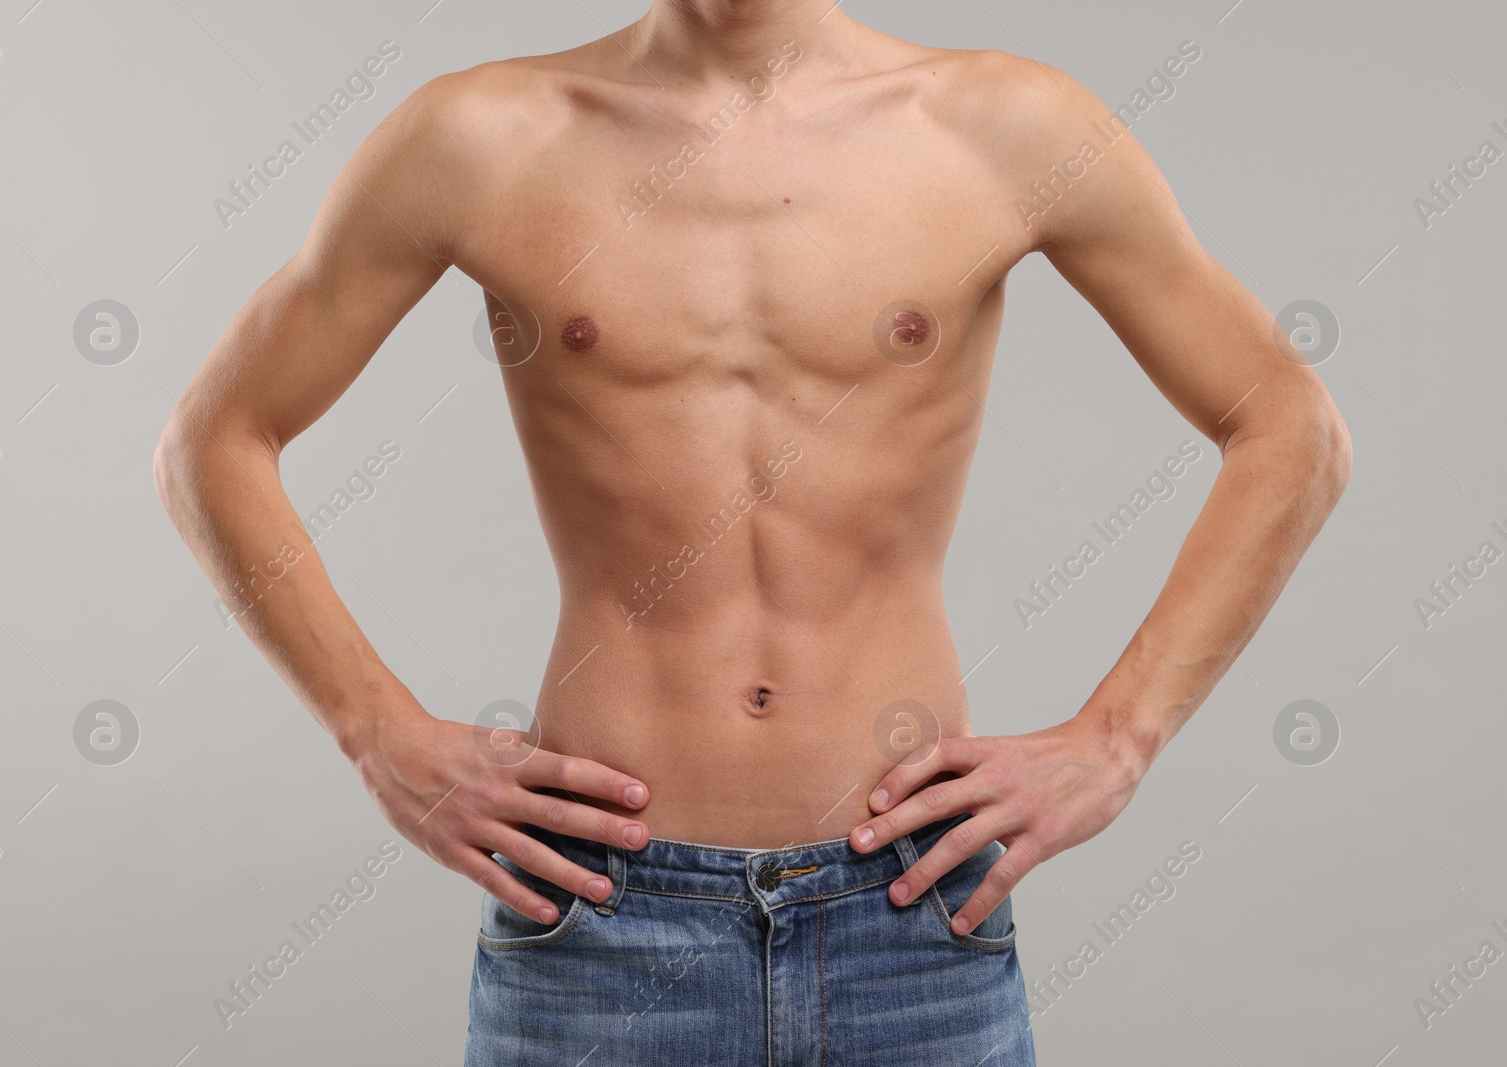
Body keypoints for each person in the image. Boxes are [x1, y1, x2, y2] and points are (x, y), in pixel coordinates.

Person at [154, 2, 1351, 1062]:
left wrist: (1118, 738)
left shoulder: (1003, 126)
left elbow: (1290, 426)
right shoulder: (483, 135)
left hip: (908, 921)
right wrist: (378, 735)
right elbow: (214, 440)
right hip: (599, 924)